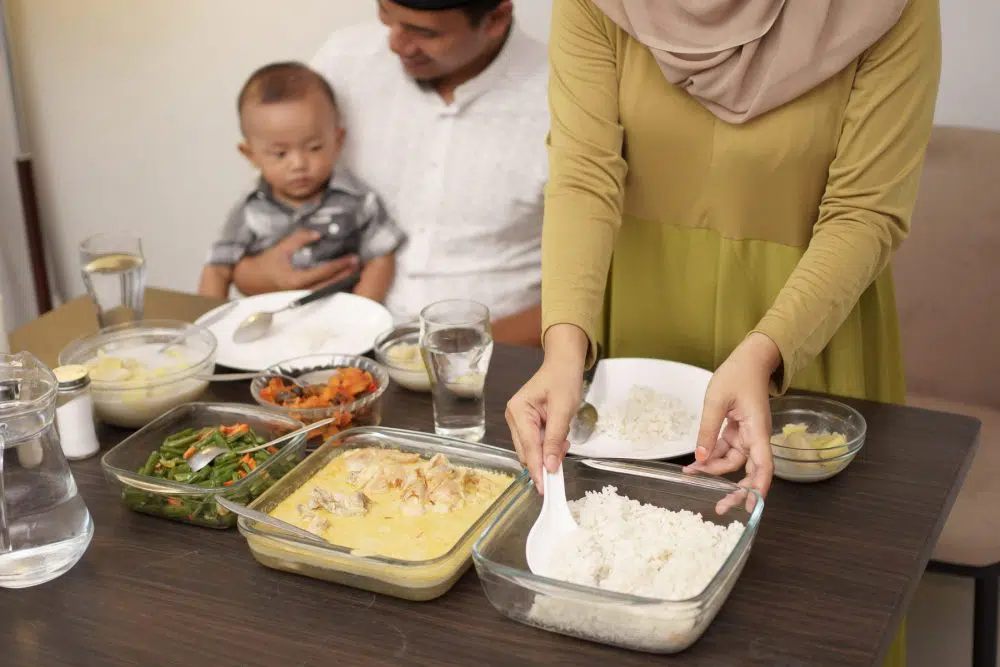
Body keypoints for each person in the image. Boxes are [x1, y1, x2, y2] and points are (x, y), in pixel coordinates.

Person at [505, 2, 940, 664]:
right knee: (614, 597)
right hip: (640, 342)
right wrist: (563, 347)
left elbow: (865, 210)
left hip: (804, 340)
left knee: (808, 620)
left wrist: (765, 356)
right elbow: (583, 173)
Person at [231, 0, 549, 346]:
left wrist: (463, 350)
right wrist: (257, 274)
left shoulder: (563, 94)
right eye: (385, 14)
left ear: (496, 18)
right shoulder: (344, 61)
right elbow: (272, 209)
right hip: (332, 343)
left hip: (500, 360)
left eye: (424, 31)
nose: (395, 44)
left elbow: (596, 294)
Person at [200, 62, 405, 302]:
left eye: (314, 148)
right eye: (280, 153)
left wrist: (363, 311)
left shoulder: (357, 201)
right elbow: (217, 269)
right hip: (271, 322)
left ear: (337, 141)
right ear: (251, 155)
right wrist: (206, 327)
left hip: (340, 320)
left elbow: (381, 255)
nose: (298, 164)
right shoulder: (249, 210)